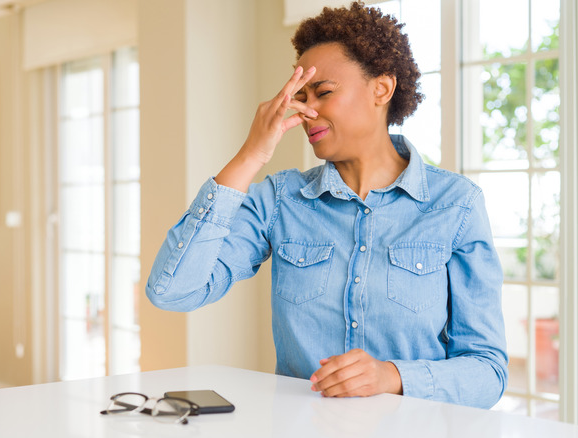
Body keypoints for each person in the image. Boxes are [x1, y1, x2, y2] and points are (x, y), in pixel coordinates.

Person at [146, 1, 507, 409]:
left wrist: (391, 376)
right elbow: (172, 292)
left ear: (382, 89)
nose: (307, 111)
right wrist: (250, 155)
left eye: (324, 92)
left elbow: (487, 371)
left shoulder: (456, 205)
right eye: (299, 98)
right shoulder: (280, 201)